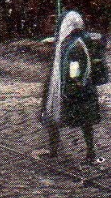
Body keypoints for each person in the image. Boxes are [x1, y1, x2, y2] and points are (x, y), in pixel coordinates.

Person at [42, 10, 103, 163]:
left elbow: (74, 69)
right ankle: (88, 151)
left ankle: (57, 151)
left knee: (60, 117)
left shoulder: (72, 44)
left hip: (73, 89)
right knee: (84, 122)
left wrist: (73, 85)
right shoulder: (80, 40)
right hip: (79, 89)